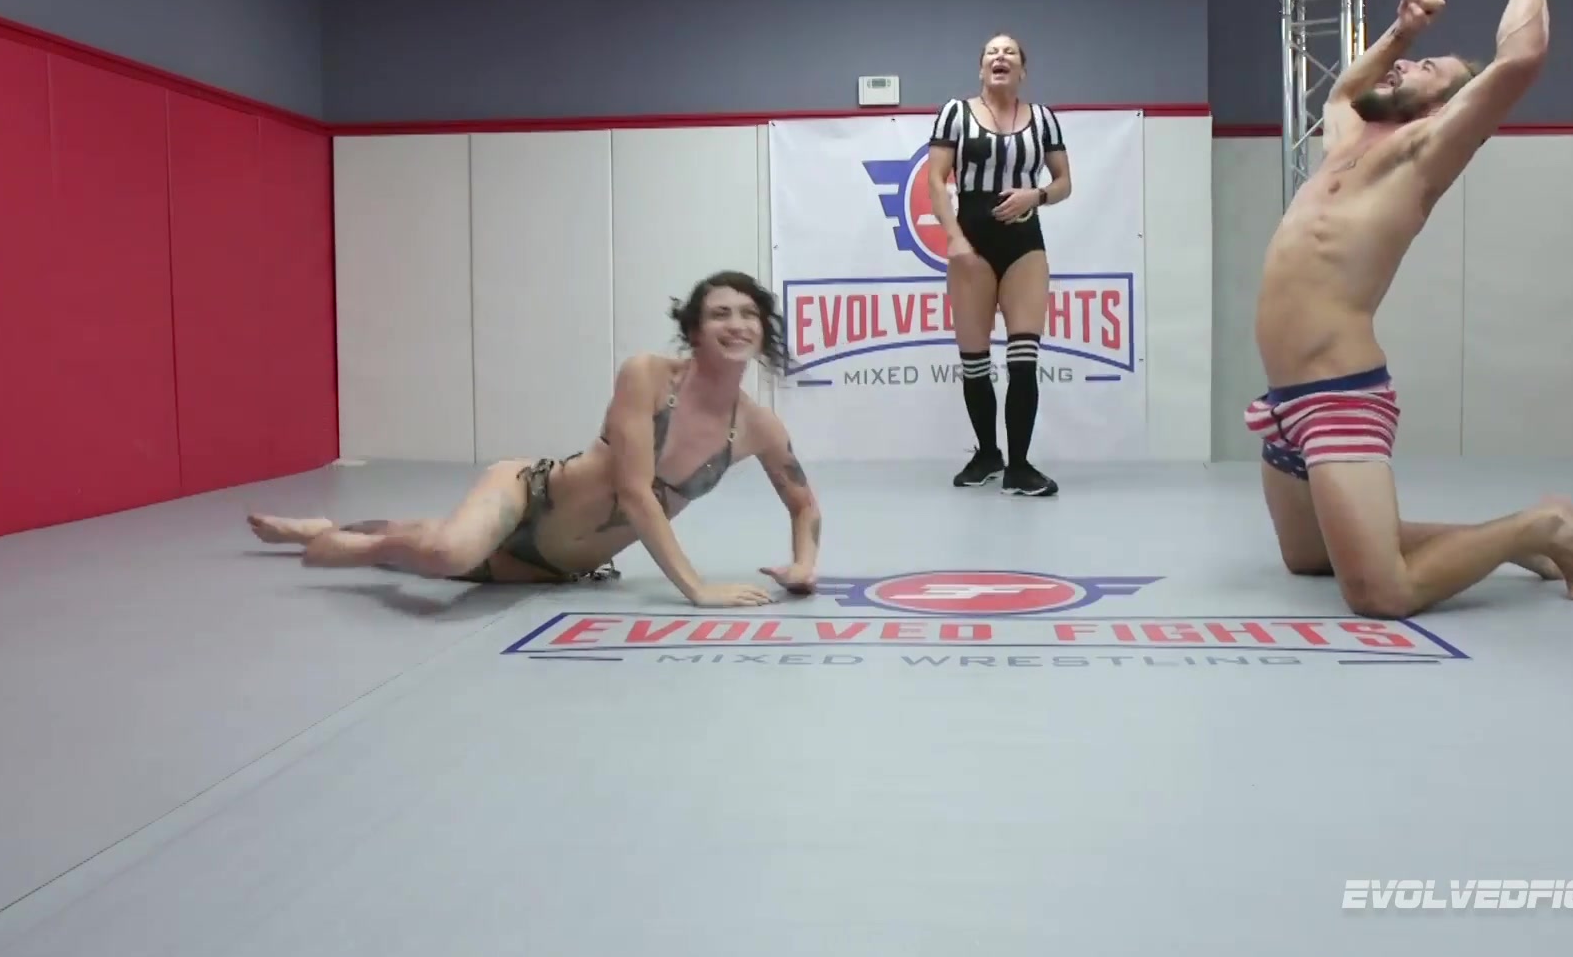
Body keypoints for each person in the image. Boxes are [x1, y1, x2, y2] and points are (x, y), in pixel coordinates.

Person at [1244, 0, 1573, 617]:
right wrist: (1402, 32)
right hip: (1284, 399)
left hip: (1338, 395)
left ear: (1444, 104)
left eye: (1425, 67)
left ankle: (1535, 527)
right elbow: (1341, 93)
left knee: (1380, 592)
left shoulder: (1426, 150)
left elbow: (1522, 57)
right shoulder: (1349, 139)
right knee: (1308, 556)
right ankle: (1497, 541)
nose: (1406, 67)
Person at [248, 271, 821, 609]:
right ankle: (347, 546)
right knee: (446, 553)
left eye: (749, 314)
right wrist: (696, 588)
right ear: (694, 329)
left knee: (431, 545)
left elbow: (804, 504)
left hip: (554, 566)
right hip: (529, 495)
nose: (736, 324)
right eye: (720, 313)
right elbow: (634, 493)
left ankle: (323, 529)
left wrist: (803, 564)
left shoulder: (758, 428)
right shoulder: (647, 376)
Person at [926, 32, 1069, 497]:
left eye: (1009, 52)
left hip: (1025, 244)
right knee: (974, 362)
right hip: (971, 244)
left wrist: (1036, 195)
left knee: (1024, 359)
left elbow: (1064, 182)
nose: (1000, 56)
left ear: (1022, 70)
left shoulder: (1043, 118)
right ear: (981, 67)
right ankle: (988, 453)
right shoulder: (955, 113)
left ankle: (1020, 466)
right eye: (992, 52)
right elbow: (935, 179)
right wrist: (953, 238)